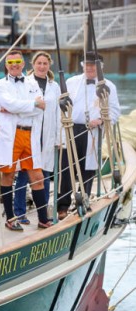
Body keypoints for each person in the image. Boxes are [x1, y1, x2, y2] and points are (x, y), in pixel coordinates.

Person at [57, 51, 120, 219]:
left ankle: (83, 200)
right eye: (87, 65)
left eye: (93, 65)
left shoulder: (108, 86)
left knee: (88, 169)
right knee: (66, 167)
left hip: (92, 131)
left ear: (100, 67)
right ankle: (62, 206)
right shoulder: (71, 82)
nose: (90, 68)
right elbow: (60, 106)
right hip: (71, 128)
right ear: (83, 66)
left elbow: (114, 111)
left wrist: (100, 120)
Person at [0, 50, 52, 231]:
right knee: (8, 175)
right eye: (11, 62)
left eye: (17, 61)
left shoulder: (32, 83)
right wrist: (31, 104)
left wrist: (16, 109)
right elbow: (10, 103)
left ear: (23, 63)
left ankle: (43, 219)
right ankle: (10, 218)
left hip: (30, 134)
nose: (14, 65)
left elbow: (41, 108)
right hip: (11, 136)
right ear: (6, 65)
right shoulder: (0, 85)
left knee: (38, 177)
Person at [13, 51, 61, 224]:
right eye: (39, 63)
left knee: (44, 175)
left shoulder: (54, 86)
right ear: (33, 65)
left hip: (46, 136)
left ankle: (43, 213)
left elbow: (57, 114)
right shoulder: (25, 83)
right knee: (24, 175)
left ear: (49, 65)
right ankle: (19, 212)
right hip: (29, 134)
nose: (42, 66)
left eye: (45, 63)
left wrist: (58, 138)